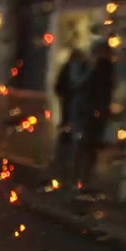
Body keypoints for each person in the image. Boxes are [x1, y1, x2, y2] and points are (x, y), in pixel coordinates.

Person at [71, 39, 115, 192]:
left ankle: (84, 178)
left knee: (89, 146)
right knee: (85, 145)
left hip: (93, 111)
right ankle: (80, 177)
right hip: (88, 111)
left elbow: (105, 90)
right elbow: (79, 84)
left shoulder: (104, 67)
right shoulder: (91, 66)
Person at [53, 48, 92, 178]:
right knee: (70, 122)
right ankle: (68, 150)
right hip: (72, 100)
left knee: (68, 122)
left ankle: (65, 150)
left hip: (70, 100)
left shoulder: (70, 67)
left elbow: (60, 85)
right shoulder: (81, 67)